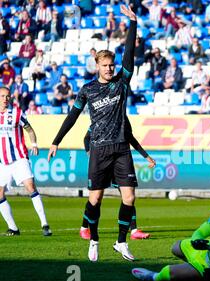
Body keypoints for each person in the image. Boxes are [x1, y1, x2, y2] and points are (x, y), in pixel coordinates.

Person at [47, 5, 140, 262]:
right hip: (99, 149)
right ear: (97, 65)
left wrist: (133, 23)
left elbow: (129, 55)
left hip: (121, 146)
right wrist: (56, 141)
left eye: (112, 65)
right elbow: (73, 116)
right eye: (106, 65)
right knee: (95, 200)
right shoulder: (87, 90)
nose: (110, 69)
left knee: (130, 197)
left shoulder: (121, 83)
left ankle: (121, 242)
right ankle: (95, 240)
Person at [79, 129, 156, 240]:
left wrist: (146, 156)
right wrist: (91, 156)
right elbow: (87, 138)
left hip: (118, 162)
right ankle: (84, 228)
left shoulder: (122, 120)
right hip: (102, 161)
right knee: (96, 198)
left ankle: (134, 230)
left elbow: (130, 137)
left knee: (128, 197)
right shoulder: (100, 120)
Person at [0, 87, 52, 237]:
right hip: (3, 162)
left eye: (7, 96)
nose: (5, 99)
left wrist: (34, 144)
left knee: (30, 186)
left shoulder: (17, 113)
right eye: (2, 96)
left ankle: (45, 224)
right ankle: (13, 228)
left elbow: (29, 130)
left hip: (19, 158)